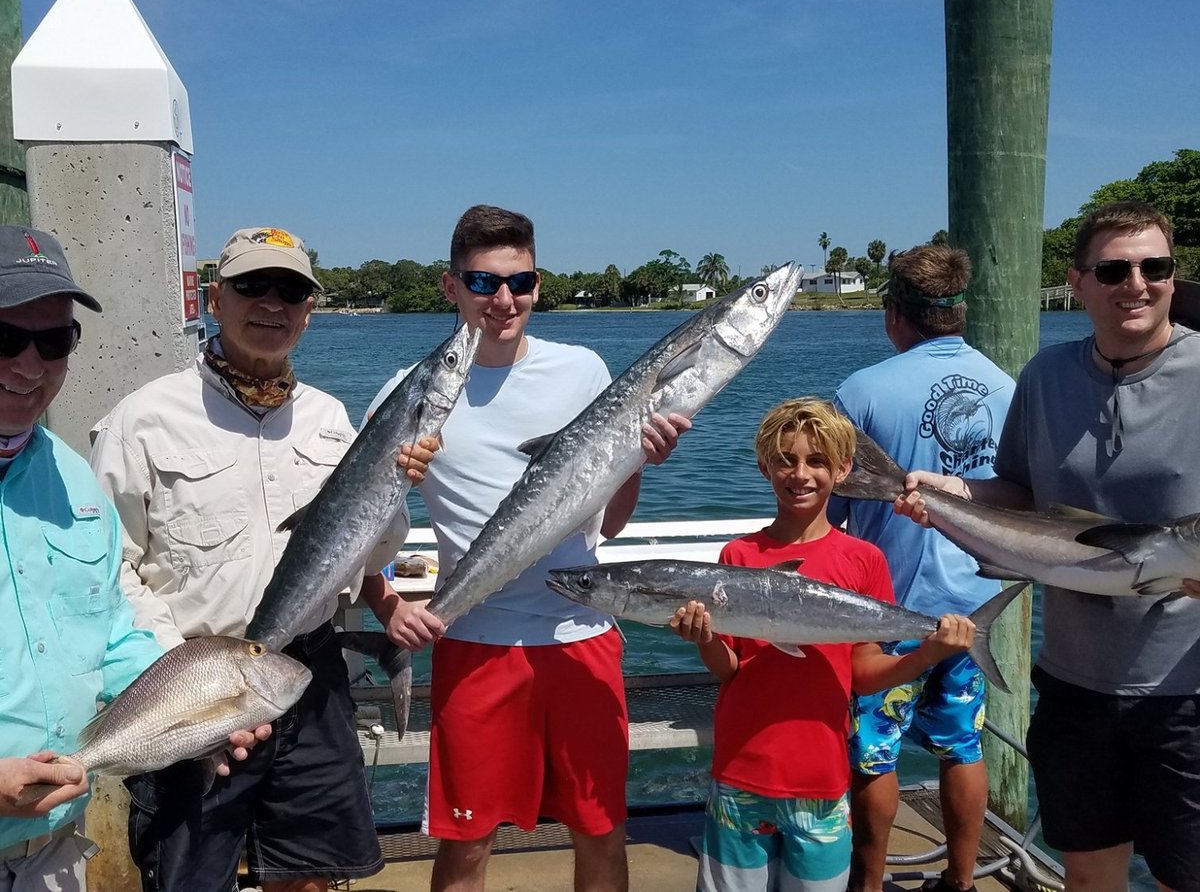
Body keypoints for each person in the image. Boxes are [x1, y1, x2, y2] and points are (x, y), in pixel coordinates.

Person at [89, 226, 434, 892]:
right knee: (189, 878)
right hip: (189, 681)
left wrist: (395, 490)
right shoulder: (143, 419)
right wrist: (182, 667)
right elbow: (110, 568)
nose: (272, 303)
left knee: (311, 874)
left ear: (309, 309)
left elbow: (374, 556)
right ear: (216, 298)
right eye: (252, 286)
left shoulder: (332, 420)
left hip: (310, 671)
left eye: (292, 290)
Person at [362, 204, 690, 892]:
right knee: (466, 841)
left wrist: (638, 461)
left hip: (582, 634)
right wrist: (385, 601)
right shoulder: (408, 393)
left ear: (539, 285)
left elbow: (614, 524)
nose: (503, 300)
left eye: (521, 281)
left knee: (600, 829)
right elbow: (358, 524)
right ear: (450, 286)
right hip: (475, 640)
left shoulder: (583, 371)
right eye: (483, 283)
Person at [894, 202, 1200, 891]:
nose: (1138, 284)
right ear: (1079, 281)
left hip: (1187, 693)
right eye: (1115, 269)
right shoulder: (1044, 376)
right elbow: (1016, 489)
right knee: (1089, 879)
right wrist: (951, 495)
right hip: (1074, 685)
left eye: (1157, 267)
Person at [0, 224, 263, 891]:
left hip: (54, 847)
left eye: (54, 341)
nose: (29, 366)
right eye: (4, 338)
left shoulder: (71, 479)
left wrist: (195, 706)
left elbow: (110, 628)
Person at [668, 397, 977, 892]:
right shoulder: (738, 554)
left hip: (823, 781)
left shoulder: (863, 560)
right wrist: (701, 639)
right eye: (786, 460)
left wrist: (929, 653)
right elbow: (729, 669)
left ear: (843, 469)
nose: (800, 474)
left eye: (816, 461)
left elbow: (865, 671)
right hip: (741, 771)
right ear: (764, 465)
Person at [827, 245, 1014, 892]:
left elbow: (832, 504)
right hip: (970, 603)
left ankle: (869, 884)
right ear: (960, 313)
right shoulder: (1005, 386)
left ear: (894, 314)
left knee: (874, 752)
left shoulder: (862, 391)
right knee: (963, 746)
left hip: (887, 606)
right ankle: (961, 883)